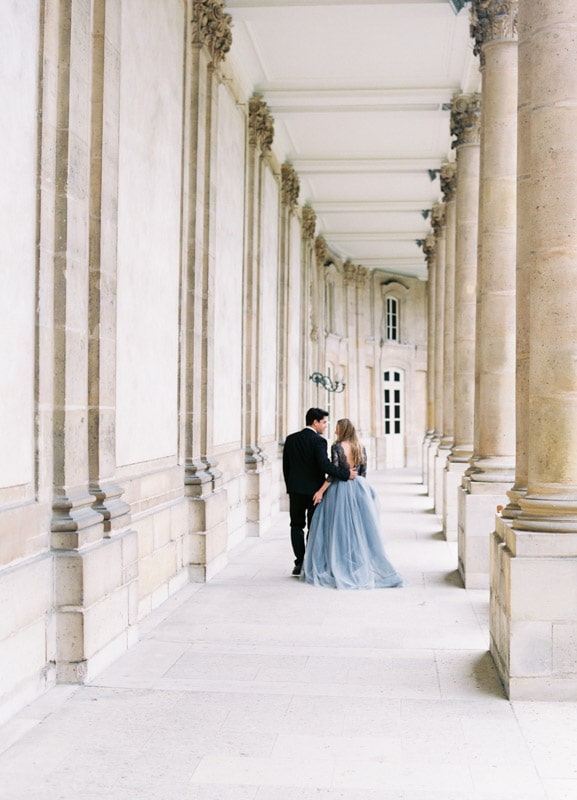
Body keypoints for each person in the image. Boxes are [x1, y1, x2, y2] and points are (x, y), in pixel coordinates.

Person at [300, 418, 403, 590]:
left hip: (339, 490)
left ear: (342, 430)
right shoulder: (360, 447)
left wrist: (320, 491)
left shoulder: (337, 447)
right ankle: (356, 564)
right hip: (359, 489)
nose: (334, 432)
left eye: (337, 429)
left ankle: (338, 563)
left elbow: (333, 474)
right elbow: (363, 473)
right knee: (359, 530)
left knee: (337, 529)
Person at [283, 408, 357, 576]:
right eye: (324, 422)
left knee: (296, 526)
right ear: (315, 422)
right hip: (314, 491)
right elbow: (325, 466)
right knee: (313, 526)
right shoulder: (319, 441)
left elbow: (286, 467)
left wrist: (291, 486)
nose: (325, 426)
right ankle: (309, 562)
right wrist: (346, 474)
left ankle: (299, 563)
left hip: (295, 490)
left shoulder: (291, 439)